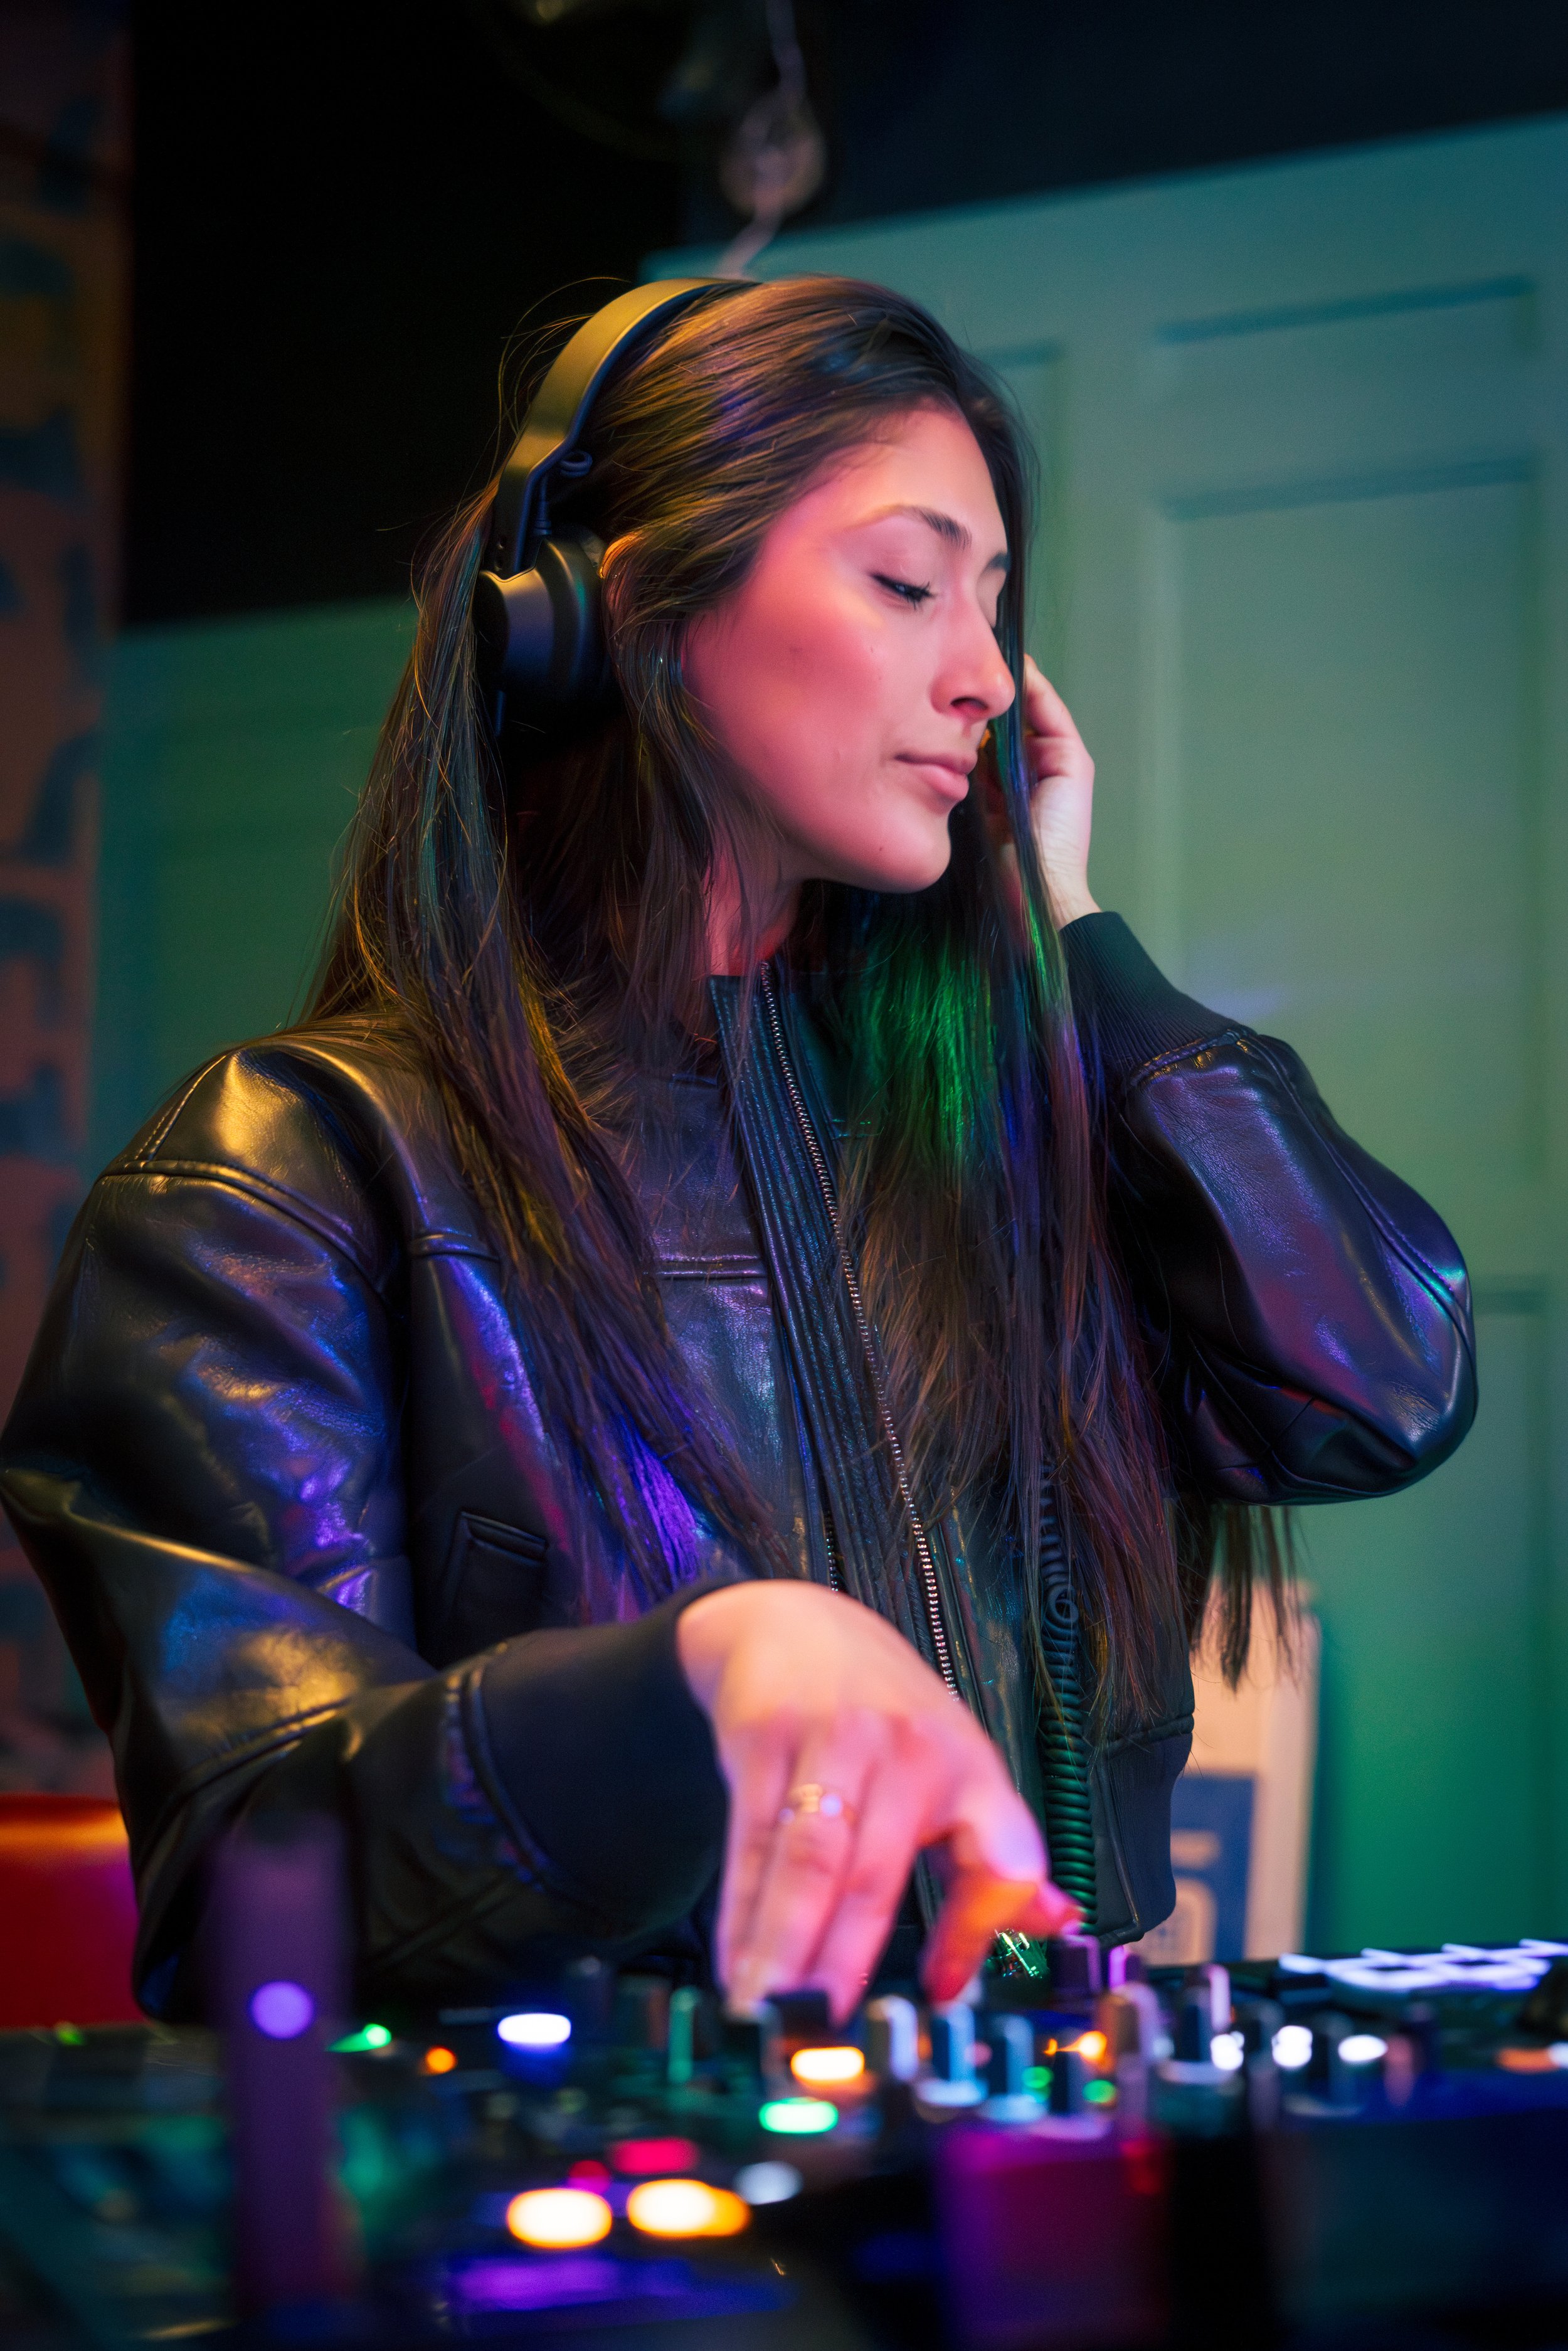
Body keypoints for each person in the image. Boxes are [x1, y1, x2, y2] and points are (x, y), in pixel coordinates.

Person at [0, 278, 1475, 2025]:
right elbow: (263, 1880)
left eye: (996, 603)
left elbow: (1377, 1388)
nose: (985, 676)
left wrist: (1071, 936)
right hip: (587, 2190)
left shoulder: (1002, 1147)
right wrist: (681, 1684)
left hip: (1020, 2153)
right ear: (620, 612)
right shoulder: (286, 1180)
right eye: (908, 583)